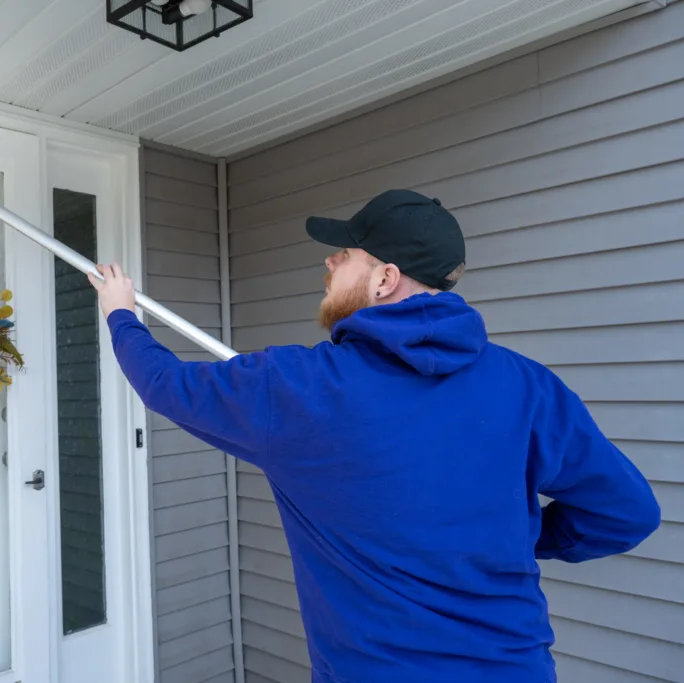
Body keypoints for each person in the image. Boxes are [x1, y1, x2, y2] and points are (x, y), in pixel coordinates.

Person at [88, 188, 661, 683]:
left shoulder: (299, 387)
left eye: (343, 256)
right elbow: (626, 513)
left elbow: (164, 383)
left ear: (385, 279)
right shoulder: (528, 385)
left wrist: (119, 313)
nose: (329, 263)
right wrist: (523, 536)